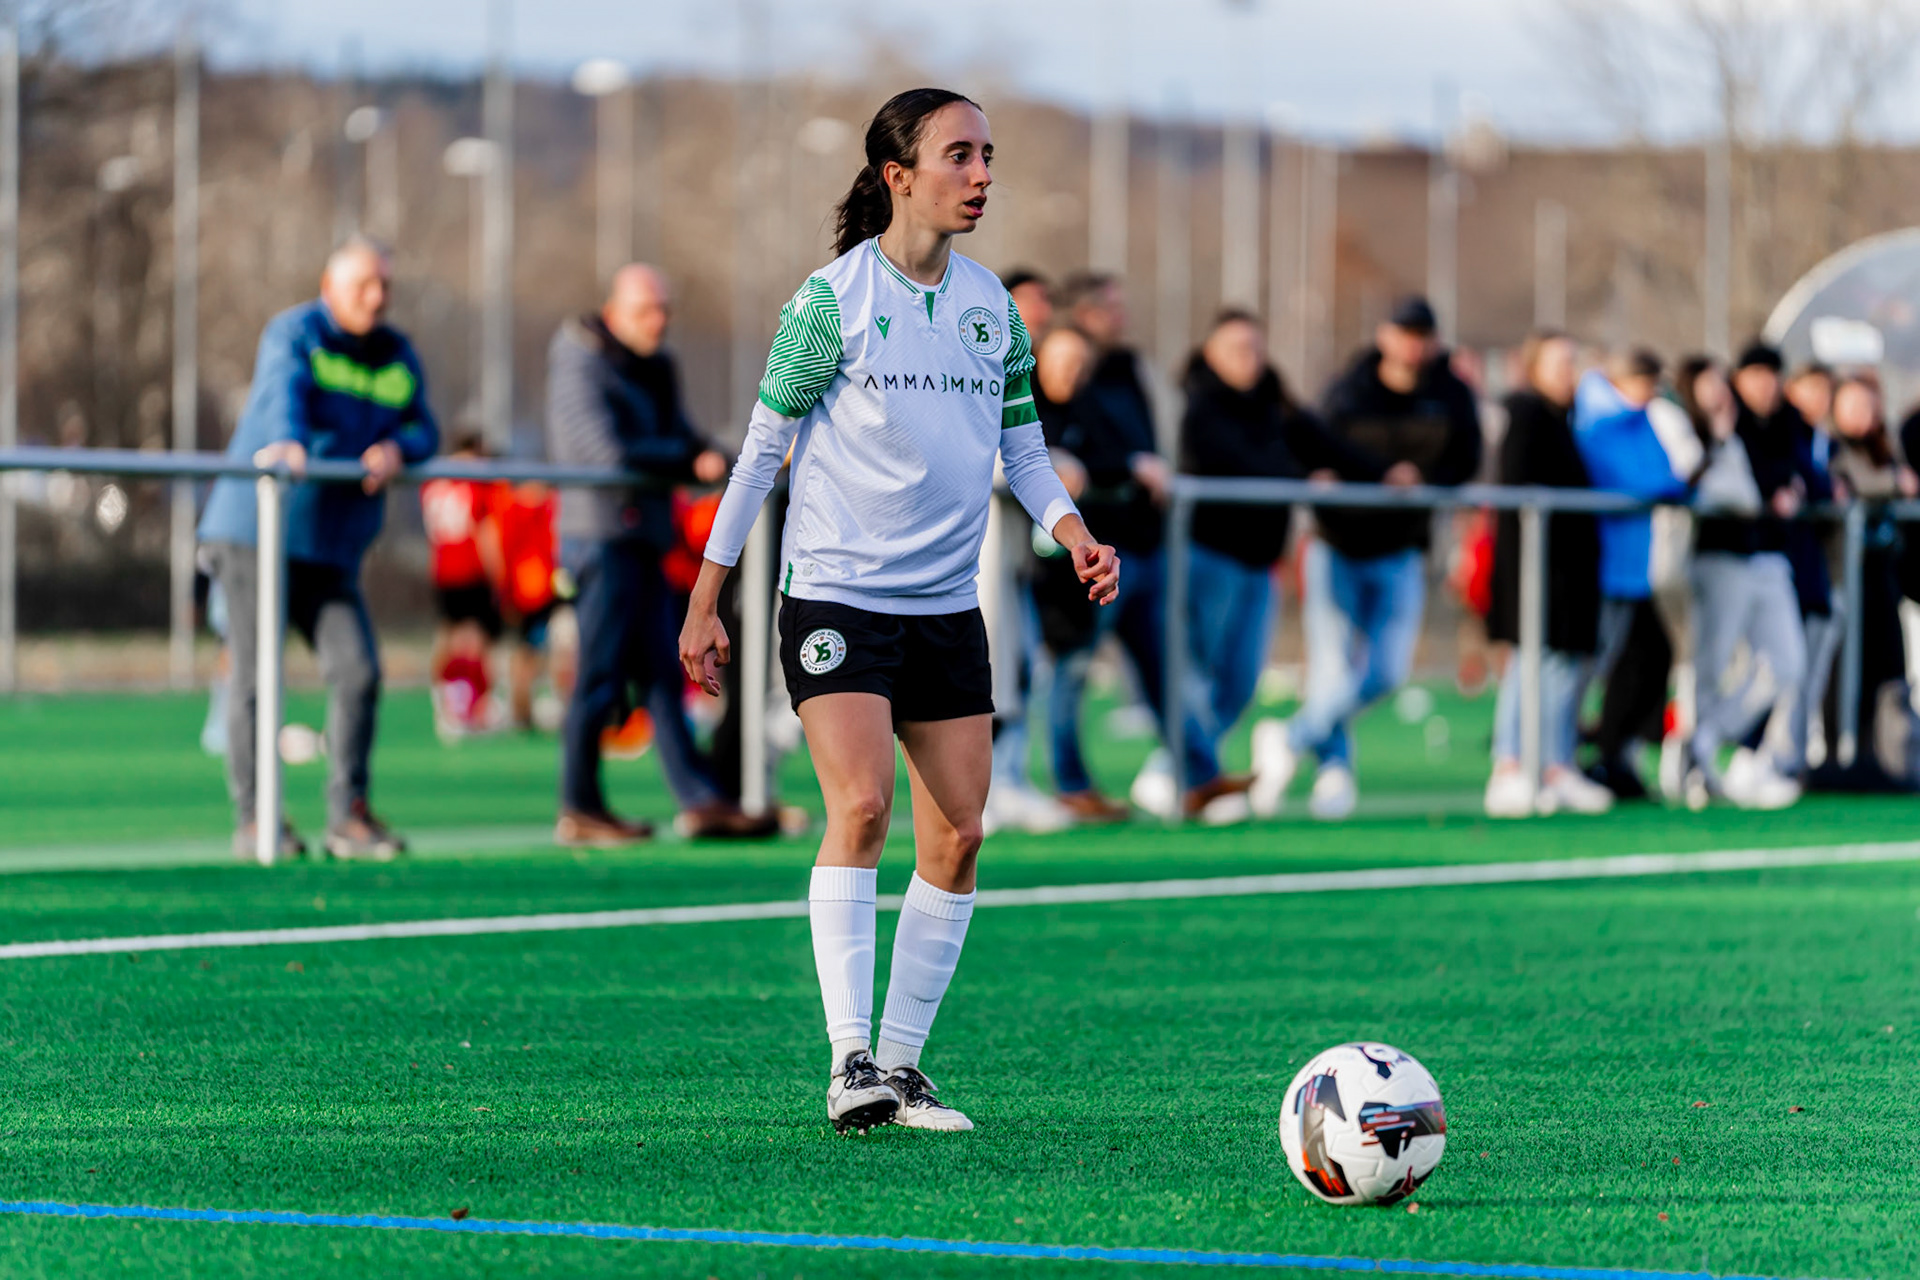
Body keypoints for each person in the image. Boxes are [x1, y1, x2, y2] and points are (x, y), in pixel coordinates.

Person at [678, 88, 1116, 1133]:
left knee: (961, 833)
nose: (982, 174)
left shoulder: (993, 307)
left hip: (943, 607)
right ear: (898, 175)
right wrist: (709, 593)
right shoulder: (829, 301)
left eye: (988, 155)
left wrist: (1073, 531)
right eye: (959, 155)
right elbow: (760, 453)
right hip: (836, 594)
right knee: (863, 806)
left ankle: (906, 1066)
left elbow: (1021, 454)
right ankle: (849, 1060)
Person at [196, 236, 437, 861]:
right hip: (257, 530)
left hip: (329, 547)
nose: (377, 297)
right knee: (256, 674)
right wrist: (288, 444)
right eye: (363, 286)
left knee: (358, 670)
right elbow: (283, 394)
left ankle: (348, 814)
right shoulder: (296, 332)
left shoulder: (395, 353)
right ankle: (257, 819)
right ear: (330, 288)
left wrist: (398, 449)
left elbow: (423, 425)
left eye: (384, 285)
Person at [546, 264, 774, 845]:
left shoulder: (658, 363)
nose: (661, 322)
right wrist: (687, 460)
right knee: (598, 677)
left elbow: (685, 436)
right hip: (599, 536)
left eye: (665, 310)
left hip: (644, 535)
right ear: (616, 310)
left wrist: (723, 455)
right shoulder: (579, 358)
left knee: (659, 675)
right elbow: (605, 453)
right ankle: (579, 806)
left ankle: (699, 800)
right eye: (649, 311)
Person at [1254, 295, 1482, 821]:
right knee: (1333, 668)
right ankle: (1335, 770)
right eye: (1403, 332)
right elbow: (1319, 444)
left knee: (1386, 671)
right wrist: (1368, 475)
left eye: (1421, 333)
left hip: (1400, 546)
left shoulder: (1450, 395)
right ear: (1384, 337)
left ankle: (1291, 737)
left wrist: (1424, 482)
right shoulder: (1349, 389)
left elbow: (1465, 458)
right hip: (1338, 543)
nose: (1412, 344)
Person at [1047, 271, 1244, 821]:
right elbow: (1070, 454)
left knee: (1162, 662)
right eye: (1111, 307)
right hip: (1090, 549)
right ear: (1082, 316)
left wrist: (1138, 467)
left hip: (1140, 545)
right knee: (1075, 666)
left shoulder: (1123, 368)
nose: (1121, 317)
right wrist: (1129, 467)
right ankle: (1071, 781)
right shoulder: (1057, 380)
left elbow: (1131, 446)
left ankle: (1201, 774)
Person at [1177, 310, 1313, 813]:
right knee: (1201, 671)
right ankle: (1191, 771)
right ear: (1211, 353)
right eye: (1236, 348)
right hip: (1212, 557)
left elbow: (1315, 441)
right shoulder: (1201, 404)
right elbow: (1235, 461)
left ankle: (1193, 769)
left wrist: (1380, 473)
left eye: (1255, 347)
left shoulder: (1274, 400)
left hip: (1262, 560)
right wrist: (1302, 475)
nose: (1248, 358)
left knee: (1241, 680)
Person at [1482, 332, 1613, 818]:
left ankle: (1555, 764)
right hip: (1536, 567)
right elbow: (1518, 489)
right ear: (1534, 367)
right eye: (1558, 363)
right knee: (1530, 663)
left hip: (1570, 567)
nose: (1567, 372)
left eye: (1571, 363)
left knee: (1563, 670)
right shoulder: (1526, 413)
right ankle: (1510, 764)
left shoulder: (1570, 418)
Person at [1676, 355, 1804, 808]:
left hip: (1768, 556)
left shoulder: (1782, 421)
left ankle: (1705, 739)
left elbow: (1797, 472)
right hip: (1720, 557)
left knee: (1787, 663)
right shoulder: (1699, 430)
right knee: (1710, 663)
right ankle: (1695, 762)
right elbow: (1736, 493)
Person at [1570, 350, 1696, 799]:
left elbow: (1665, 474)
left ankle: (1602, 754)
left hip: (1634, 564)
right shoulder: (1595, 421)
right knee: (1583, 666)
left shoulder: (1639, 420)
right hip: (1600, 563)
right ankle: (1559, 756)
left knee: (1614, 661)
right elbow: (1631, 480)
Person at [1820, 372, 1916, 786]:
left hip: (1883, 575)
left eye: (1867, 405)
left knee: (1890, 667)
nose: (1861, 414)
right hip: (1846, 577)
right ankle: (1844, 755)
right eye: (1852, 404)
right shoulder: (1830, 448)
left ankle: (1889, 758)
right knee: (1847, 670)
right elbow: (1851, 485)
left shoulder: (1886, 448)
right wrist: (1895, 485)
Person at [422, 431, 505, 738]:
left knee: (449, 637)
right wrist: (498, 575)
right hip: (471, 568)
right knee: (475, 642)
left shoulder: (434, 481)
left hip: (442, 570)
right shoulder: (474, 480)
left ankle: (446, 700)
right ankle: (471, 706)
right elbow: (484, 529)